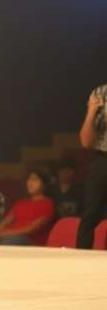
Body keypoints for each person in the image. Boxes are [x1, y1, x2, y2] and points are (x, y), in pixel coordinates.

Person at [0, 168, 55, 246]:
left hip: (30, 241)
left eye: (35, 180)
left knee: (10, 240)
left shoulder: (47, 204)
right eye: (29, 180)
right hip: (10, 236)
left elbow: (32, 229)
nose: (30, 183)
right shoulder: (21, 203)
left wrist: (6, 233)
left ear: (44, 185)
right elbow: (6, 220)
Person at [76, 84, 107, 248]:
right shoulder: (101, 93)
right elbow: (86, 141)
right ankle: (80, 261)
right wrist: (91, 111)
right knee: (90, 215)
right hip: (102, 159)